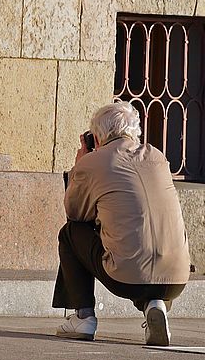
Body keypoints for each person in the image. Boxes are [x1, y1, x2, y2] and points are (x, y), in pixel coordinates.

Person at [53, 101, 190, 346]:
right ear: (135, 131)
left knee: (70, 234)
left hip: (127, 277)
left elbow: (75, 213)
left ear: (96, 136)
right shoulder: (157, 156)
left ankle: (83, 317)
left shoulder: (94, 161)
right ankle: (154, 305)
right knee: (148, 239)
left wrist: (79, 167)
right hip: (176, 277)